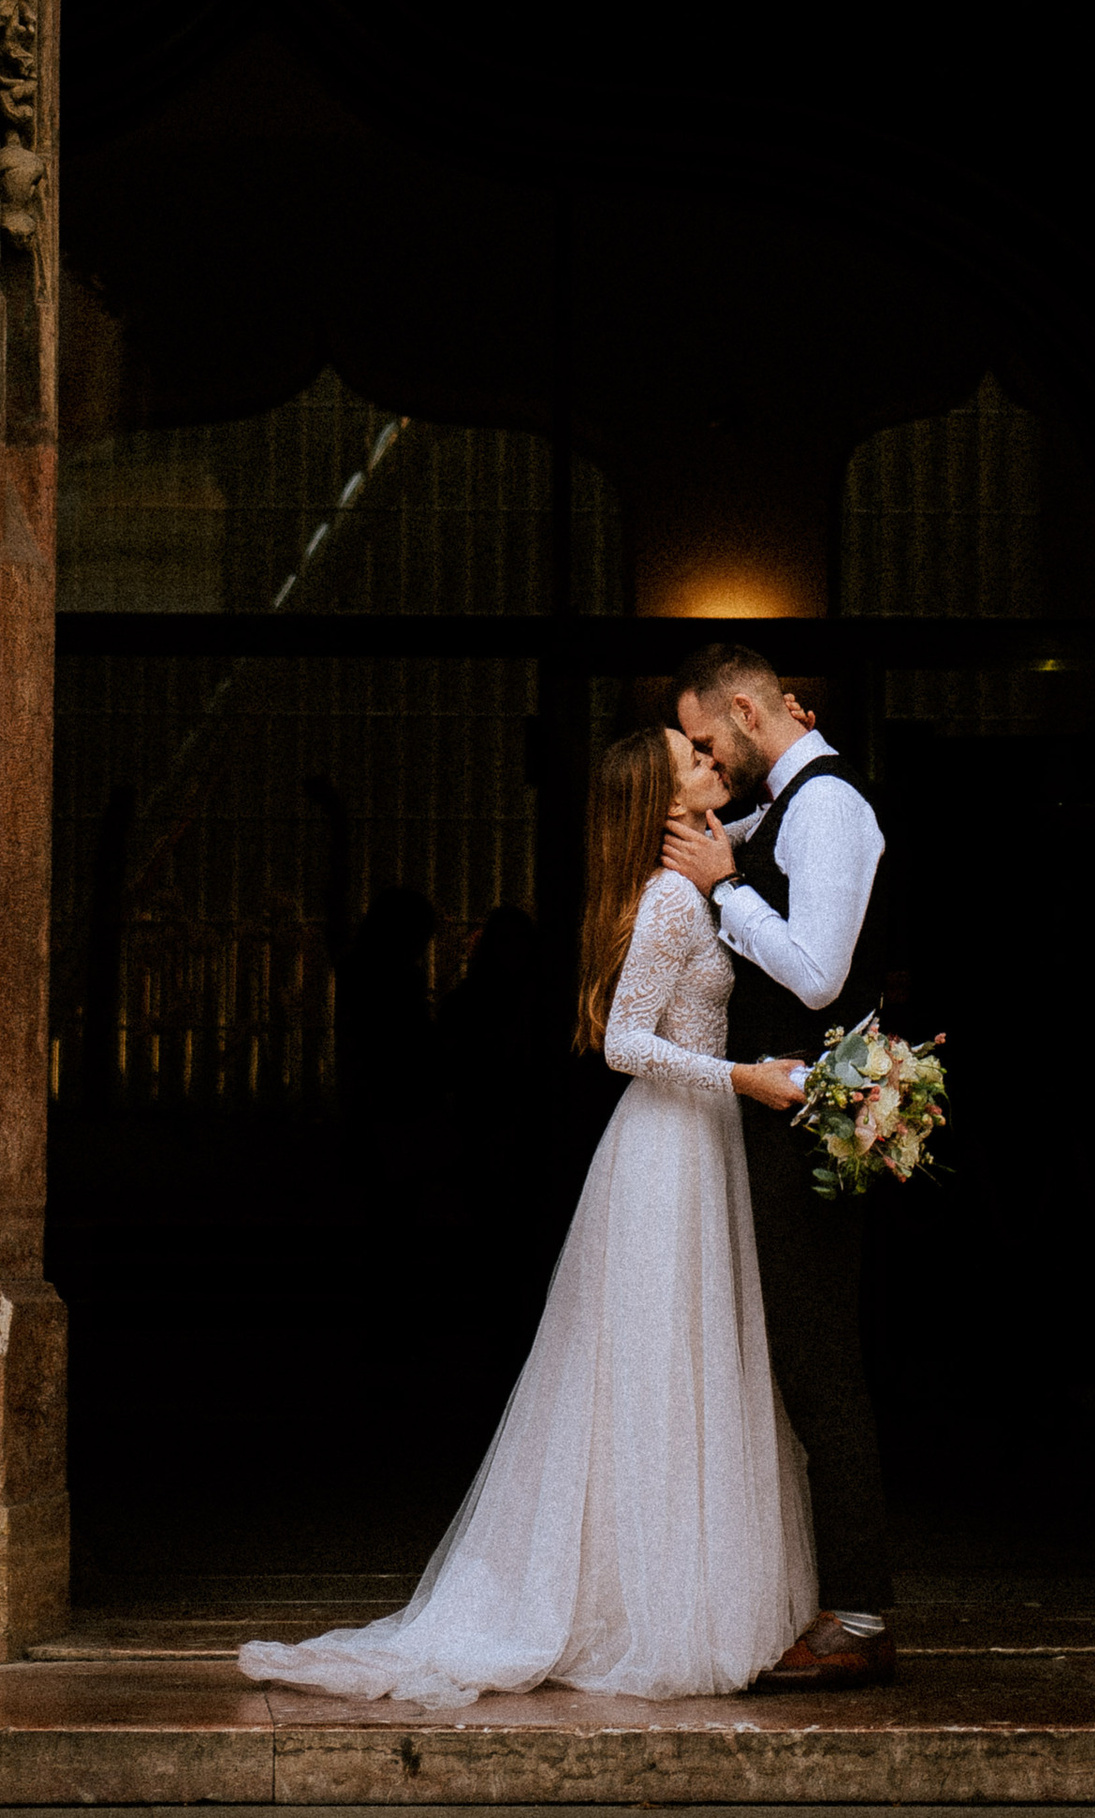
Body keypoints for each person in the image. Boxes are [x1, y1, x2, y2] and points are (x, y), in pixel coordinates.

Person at [234, 727, 816, 1707]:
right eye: (694, 760)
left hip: (702, 1138)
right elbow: (625, 1043)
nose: (715, 762)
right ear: (662, 800)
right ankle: (644, 1603)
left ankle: (683, 1588)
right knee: (659, 1362)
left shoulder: (702, 879)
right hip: (671, 1145)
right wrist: (742, 1078)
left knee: (695, 1359)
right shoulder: (671, 900)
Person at [666, 637, 896, 1689]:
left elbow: (815, 976)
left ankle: (860, 1615)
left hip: (810, 1125)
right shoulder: (781, 809)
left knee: (819, 1362)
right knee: (791, 1359)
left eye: (707, 740)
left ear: (750, 716)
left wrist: (724, 889)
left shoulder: (830, 807)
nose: (708, 759)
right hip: (772, 1120)